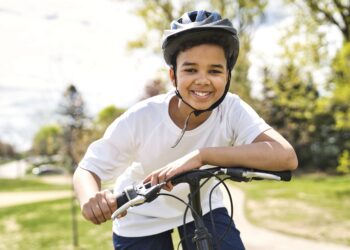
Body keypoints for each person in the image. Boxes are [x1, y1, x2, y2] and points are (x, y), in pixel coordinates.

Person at [73, 10, 298, 250]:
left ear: (228, 75)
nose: (203, 80)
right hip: (141, 215)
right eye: (190, 70)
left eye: (214, 71)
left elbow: (285, 156)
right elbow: (88, 168)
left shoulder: (231, 109)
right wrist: (90, 199)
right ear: (173, 76)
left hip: (202, 206)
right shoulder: (143, 117)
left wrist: (202, 155)